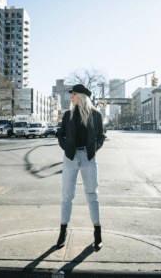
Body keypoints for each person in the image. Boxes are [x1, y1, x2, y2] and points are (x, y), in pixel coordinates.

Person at [55, 84, 105, 251]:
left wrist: (93, 149)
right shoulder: (68, 115)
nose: (71, 97)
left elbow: (101, 135)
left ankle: (97, 234)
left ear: (82, 97)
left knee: (92, 195)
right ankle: (63, 232)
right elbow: (60, 134)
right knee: (67, 196)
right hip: (70, 158)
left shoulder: (95, 115)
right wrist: (66, 147)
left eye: (74, 94)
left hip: (88, 158)